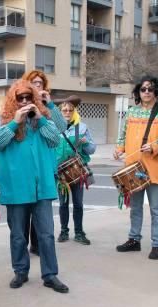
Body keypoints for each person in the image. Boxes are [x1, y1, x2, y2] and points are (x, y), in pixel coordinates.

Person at [0, 80, 69, 293]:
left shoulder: (43, 121)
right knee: (18, 234)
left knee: (46, 234)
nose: (24, 102)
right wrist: (14, 123)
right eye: (20, 98)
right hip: (16, 188)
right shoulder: (1, 120)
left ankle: (50, 275)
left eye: (28, 97)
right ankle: (20, 271)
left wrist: (40, 118)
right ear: (13, 100)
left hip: (41, 187)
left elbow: (55, 140)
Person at [113, 76, 158, 259]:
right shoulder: (131, 112)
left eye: (150, 89)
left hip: (156, 167)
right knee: (135, 207)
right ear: (138, 92)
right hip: (134, 168)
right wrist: (119, 149)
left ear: (156, 91)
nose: (147, 92)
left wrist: (155, 146)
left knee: (156, 209)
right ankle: (134, 239)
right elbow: (122, 135)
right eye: (143, 89)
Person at [20, 70, 68, 254]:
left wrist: (49, 105)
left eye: (40, 83)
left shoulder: (48, 108)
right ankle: (22, 247)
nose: (37, 86)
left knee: (42, 210)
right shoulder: (20, 105)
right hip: (26, 167)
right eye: (33, 82)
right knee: (23, 212)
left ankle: (37, 244)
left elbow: (62, 128)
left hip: (46, 164)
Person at [56, 98, 95, 245]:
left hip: (77, 171)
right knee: (63, 204)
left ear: (74, 111)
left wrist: (86, 143)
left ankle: (79, 232)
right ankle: (64, 231)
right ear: (59, 112)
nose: (67, 112)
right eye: (64, 110)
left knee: (78, 203)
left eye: (70, 110)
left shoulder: (82, 127)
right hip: (61, 173)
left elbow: (92, 149)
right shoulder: (53, 128)